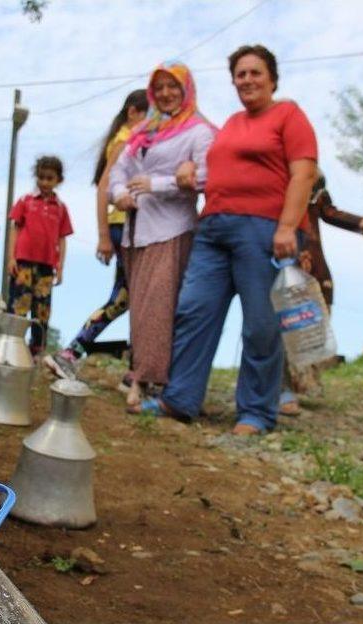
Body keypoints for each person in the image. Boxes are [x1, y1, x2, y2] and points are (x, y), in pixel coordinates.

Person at [142, 45, 318, 435]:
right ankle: (180, 398)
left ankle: (256, 412)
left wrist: (288, 227)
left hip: (265, 230)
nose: (248, 80)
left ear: (272, 78)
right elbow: (209, 166)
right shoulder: (232, 123)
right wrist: (190, 167)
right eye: (240, 74)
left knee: (260, 324)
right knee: (193, 310)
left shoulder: (289, 114)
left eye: (255, 73)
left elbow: (304, 174)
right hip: (214, 229)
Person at [107, 61, 216, 407]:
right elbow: (118, 172)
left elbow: (207, 176)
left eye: (174, 86)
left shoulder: (199, 131)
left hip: (172, 229)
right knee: (140, 306)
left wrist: (157, 184)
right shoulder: (145, 131)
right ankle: (141, 372)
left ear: (187, 90)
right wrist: (119, 194)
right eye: (161, 87)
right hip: (135, 231)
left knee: (159, 306)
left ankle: (152, 380)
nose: (167, 94)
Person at [44, 89, 149, 379]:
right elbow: (105, 186)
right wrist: (103, 234)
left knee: (129, 298)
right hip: (124, 224)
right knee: (126, 298)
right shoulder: (126, 139)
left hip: (129, 224)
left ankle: (134, 368)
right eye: (150, 114)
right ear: (133, 113)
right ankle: (72, 352)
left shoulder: (128, 138)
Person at [279, 171, 363, 415]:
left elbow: (331, 213)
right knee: (276, 324)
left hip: (313, 263)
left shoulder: (313, 182)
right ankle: (279, 390)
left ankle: (298, 383)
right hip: (277, 256)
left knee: (311, 323)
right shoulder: (272, 177)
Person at [7, 156, 73, 356]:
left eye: (49, 178)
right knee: (19, 304)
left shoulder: (61, 208)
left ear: (58, 180)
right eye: (41, 178)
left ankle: (36, 350)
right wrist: (11, 258)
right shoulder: (25, 200)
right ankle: (11, 344)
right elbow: (15, 229)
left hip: (47, 265)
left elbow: (62, 238)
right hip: (23, 262)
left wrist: (60, 267)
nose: (45, 182)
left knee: (42, 309)